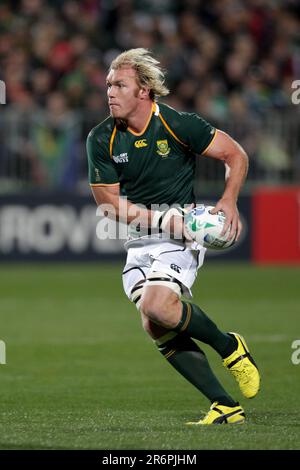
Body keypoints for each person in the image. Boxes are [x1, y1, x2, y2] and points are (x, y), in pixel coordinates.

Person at [86, 48, 260, 425]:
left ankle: (229, 346)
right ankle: (224, 405)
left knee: (158, 307)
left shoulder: (178, 125)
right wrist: (163, 220)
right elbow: (110, 207)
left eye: (120, 84)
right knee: (154, 323)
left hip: (182, 236)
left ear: (144, 91)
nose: (110, 92)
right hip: (139, 239)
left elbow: (236, 155)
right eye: (108, 85)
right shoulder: (102, 139)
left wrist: (229, 200)